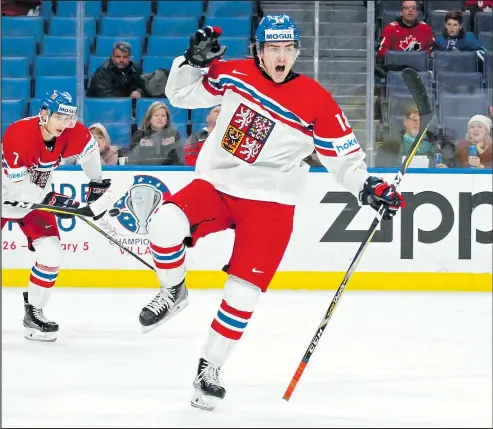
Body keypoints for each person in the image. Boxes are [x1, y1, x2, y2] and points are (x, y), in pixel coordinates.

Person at [138, 15, 406, 411]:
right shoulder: (233, 73)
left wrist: (369, 187)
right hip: (217, 185)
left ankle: (208, 369)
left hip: (271, 203)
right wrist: (192, 62)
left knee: (243, 293)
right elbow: (180, 96)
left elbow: (345, 160)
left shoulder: (316, 100)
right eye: (272, 48)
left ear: (296, 51)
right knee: (163, 222)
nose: (281, 57)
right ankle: (173, 290)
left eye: (288, 49)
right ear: (258, 51)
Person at [1, 90, 112, 342]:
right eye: (58, 117)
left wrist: (96, 185)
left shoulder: (75, 133)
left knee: (52, 254)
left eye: (68, 118)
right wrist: (57, 202)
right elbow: (18, 190)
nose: (64, 124)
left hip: (34, 199)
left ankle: (34, 313)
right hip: (7, 193)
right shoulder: (18, 135)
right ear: (43, 114)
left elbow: (90, 152)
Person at [127, 101, 184, 165]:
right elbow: (132, 159)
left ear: (167, 119)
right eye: (156, 115)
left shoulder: (174, 134)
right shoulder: (139, 135)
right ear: (149, 118)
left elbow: (180, 159)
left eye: (163, 115)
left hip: (168, 171)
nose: (160, 118)